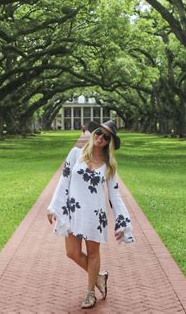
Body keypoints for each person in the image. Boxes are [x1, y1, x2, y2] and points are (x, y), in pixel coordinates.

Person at [46, 120, 134, 309]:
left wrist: (123, 222)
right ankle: (99, 277)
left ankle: (90, 293)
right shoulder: (75, 154)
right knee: (72, 252)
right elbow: (64, 180)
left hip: (95, 215)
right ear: (94, 132)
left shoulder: (109, 166)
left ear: (109, 142)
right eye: (99, 132)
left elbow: (115, 194)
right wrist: (54, 206)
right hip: (73, 211)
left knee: (93, 253)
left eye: (106, 136)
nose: (100, 137)